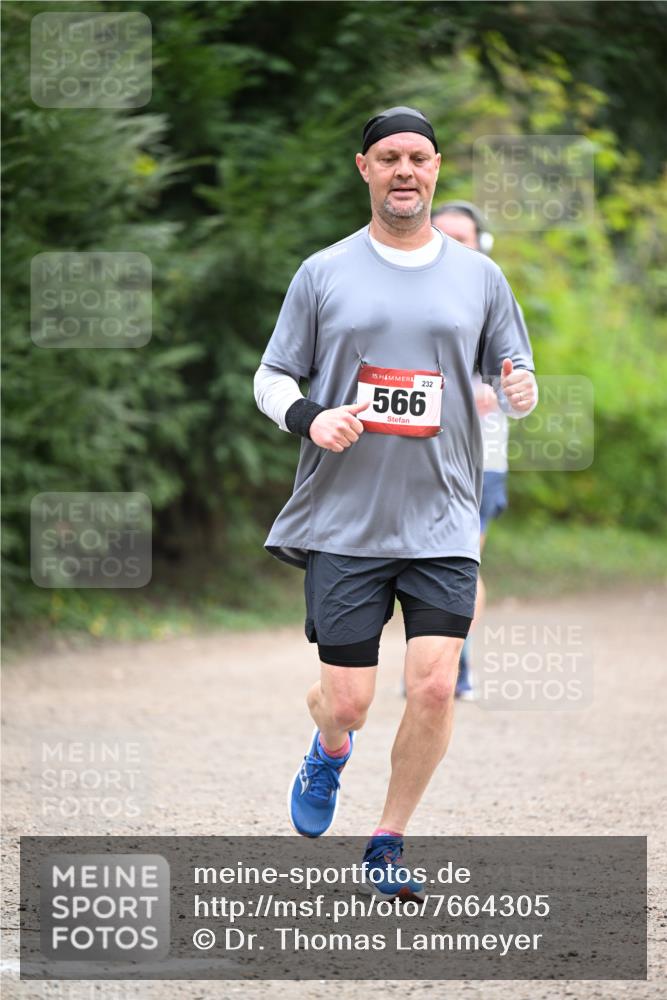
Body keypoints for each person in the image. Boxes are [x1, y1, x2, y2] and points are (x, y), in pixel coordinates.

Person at [254, 106, 537, 900]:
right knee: (348, 702)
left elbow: (515, 369)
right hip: (346, 520)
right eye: (388, 157)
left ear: (435, 167)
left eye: (417, 156)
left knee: (435, 685)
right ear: (365, 169)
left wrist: (521, 388)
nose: (403, 169)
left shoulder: (478, 277)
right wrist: (311, 417)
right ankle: (328, 747)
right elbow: (270, 376)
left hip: (443, 517)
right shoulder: (323, 272)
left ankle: (386, 842)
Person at [431, 202, 511, 699]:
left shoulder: (492, 296)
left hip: (479, 461)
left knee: (463, 562)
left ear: (482, 244)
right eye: (442, 234)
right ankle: (431, 661)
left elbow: (517, 377)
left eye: (462, 237)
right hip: (414, 458)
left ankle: (456, 664)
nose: (452, 244)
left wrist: (497, 393)